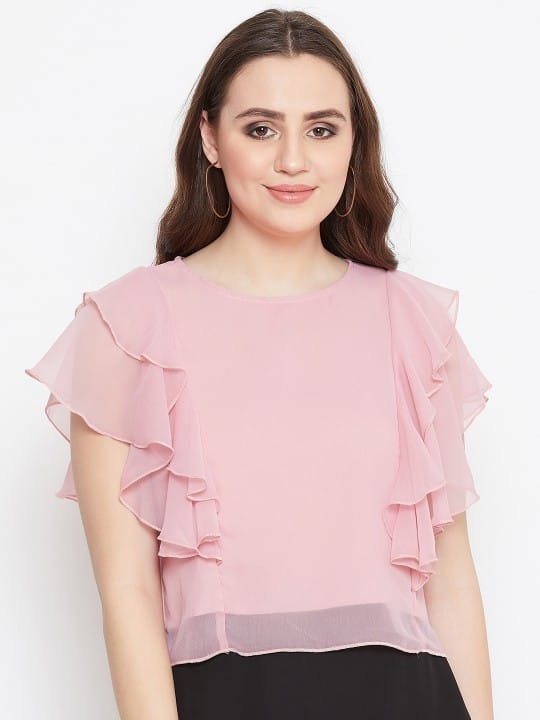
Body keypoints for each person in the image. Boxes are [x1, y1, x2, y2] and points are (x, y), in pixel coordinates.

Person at [24, 8, 495, 720]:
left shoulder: (413, 322)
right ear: (210, 138)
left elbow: (451, 580)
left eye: (322, 129)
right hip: (227, 697)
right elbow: (127, 595)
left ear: (354, 144)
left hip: (412, 698)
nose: (293, 161)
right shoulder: (128, 327)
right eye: (261, 129)